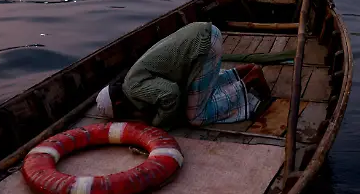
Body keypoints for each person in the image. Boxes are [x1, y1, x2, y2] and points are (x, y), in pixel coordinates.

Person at [96, 22, 270, 129]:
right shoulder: (132, 78)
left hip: (204, 46)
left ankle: (248, 81)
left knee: (195, 117)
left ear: (119, 103)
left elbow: (170, 94)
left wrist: (158, 122)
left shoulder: (133, 88)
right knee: (198, 92)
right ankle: (245, 70)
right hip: (205, 35)